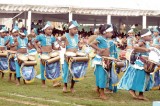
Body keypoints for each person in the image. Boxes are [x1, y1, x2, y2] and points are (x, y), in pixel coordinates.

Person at [118, 29, 154, 100]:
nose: (151, 37)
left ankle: (140, 94)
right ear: (145, 36)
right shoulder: (141, 41)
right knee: (140, 78)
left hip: (145, 62)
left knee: (144, 78)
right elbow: (135, 47)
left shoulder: (144, 42)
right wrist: (145, 50)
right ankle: (133, 90)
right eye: (149, 36)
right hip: (141, 63)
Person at [89, 24, 112, 100]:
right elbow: (91, 44)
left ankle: (98, 89)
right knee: (102, 76)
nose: (112, 33)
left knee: (102, 76)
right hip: (100, 60)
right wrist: (99, 49)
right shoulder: (100, 38)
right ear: (105, 32)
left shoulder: (106, 40)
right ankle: (102, 93)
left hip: (105, 59)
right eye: (110, 32)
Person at [57, 20, 79, 93]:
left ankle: (72, 87)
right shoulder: (65, 36)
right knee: (66, 71)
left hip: (75, 56)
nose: (76, 30)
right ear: (70, 29)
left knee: (74, 71)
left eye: (77, 29)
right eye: (75, 29)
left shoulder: (77, 36)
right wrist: (61, 44)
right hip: (68, 56)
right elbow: (58, 39)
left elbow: (77, 44)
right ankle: (65, 86)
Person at [34, 21, 58, 87]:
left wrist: (58, 48)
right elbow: (34, 42)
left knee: (52, 68)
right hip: (43, 55)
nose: (50, 31)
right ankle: (43, 84)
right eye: (49, 29)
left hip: (50, 54)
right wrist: (38, 48)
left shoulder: (52, 38)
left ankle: (54, 82)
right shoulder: (41, 36)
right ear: (45, 30)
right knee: (43, 69)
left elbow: (53, 47)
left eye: (51, 29)